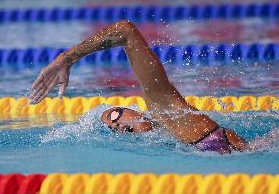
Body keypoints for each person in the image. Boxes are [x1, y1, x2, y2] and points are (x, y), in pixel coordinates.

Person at [29, 20, 248, 154]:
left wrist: (65, 59)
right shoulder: (163, 143)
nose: (118, 127)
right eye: (113, 130)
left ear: (134, 110)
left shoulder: (165, 109)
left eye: (114, 116)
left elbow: (125, 31)